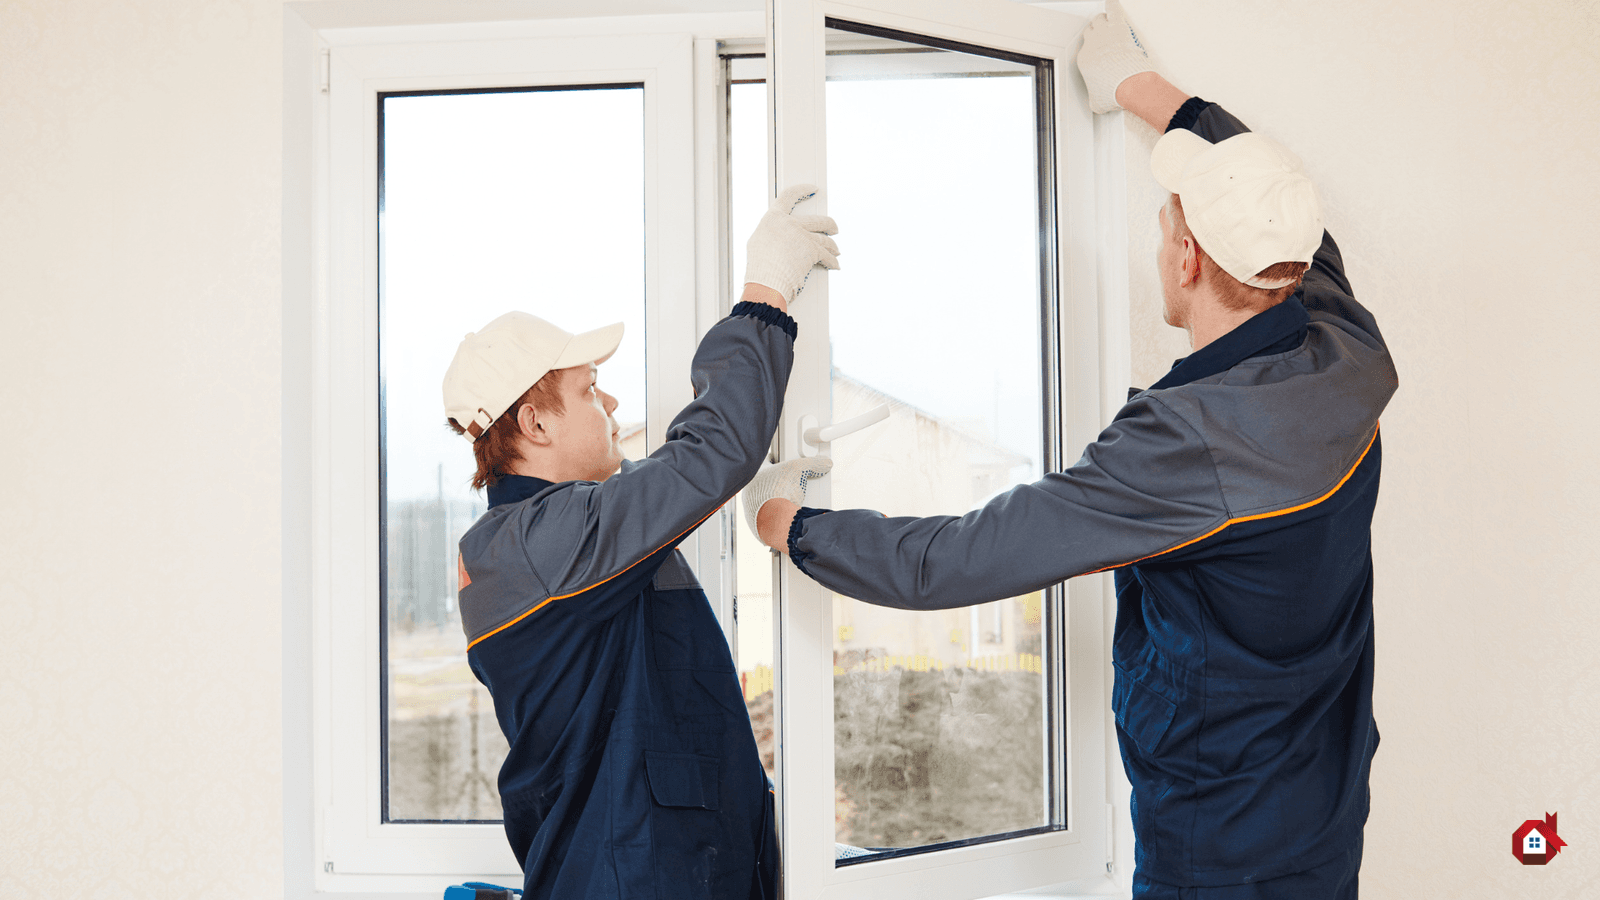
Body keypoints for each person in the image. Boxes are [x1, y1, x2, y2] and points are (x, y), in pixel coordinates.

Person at [741, 3, 1396, 898]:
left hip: (1219, 851)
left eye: (1169, 225)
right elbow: (1282, 207)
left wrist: (796, 528)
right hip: (1323, 813)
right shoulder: (1343, 343)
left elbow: (955, 561)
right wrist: (1144, 89)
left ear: (1188, 261)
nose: (1161, 237)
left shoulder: (1184, 446)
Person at [443, 185, 839, 900]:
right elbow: (706, 457)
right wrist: (765, 293)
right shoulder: (541, 542)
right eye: (593, 389)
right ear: (535, 423)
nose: (615, 405)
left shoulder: (548, 538)